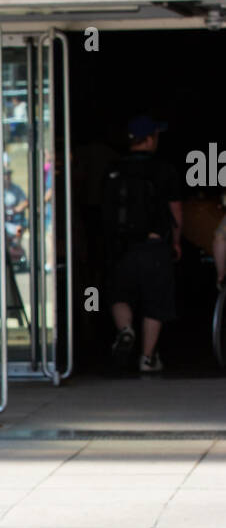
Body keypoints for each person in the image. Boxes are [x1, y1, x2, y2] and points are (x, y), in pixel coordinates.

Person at [104, 114, 183, 374]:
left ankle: (126, 330)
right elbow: (175, 209)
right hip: (154, 244)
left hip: (121, 245)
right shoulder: (163, 169)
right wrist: (177, 241)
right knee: (156, 302)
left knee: (119, 295)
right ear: (149, 139)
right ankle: (147, 358)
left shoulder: (113, 168)